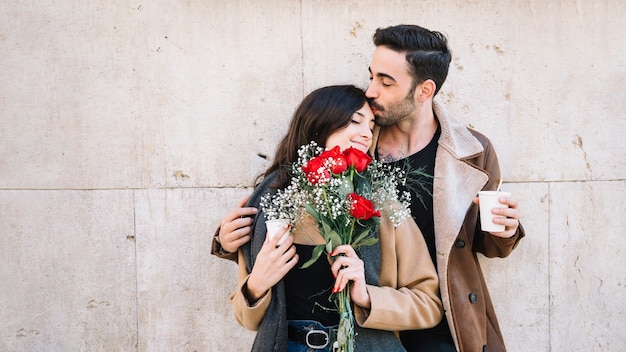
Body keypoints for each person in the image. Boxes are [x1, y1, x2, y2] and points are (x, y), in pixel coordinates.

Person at [213, 25, 525, 352]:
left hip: (436, 320)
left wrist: (505, 232)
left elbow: (478, 243)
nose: (371, 90)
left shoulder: (471, 152)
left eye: (386, 81)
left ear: (424, 90)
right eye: (372, 76)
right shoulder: (354, 150)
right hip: (358, 328)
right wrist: (228, 240)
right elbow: (286, 252)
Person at [227, 85, 443, 352]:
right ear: (320, 124)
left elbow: (429, 304)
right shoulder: (268, 206)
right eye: (355, 121)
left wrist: (367, 297)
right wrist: (257, 284)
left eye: (372, 124)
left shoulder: (384, 205)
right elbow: (246, 320)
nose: (367, 133)